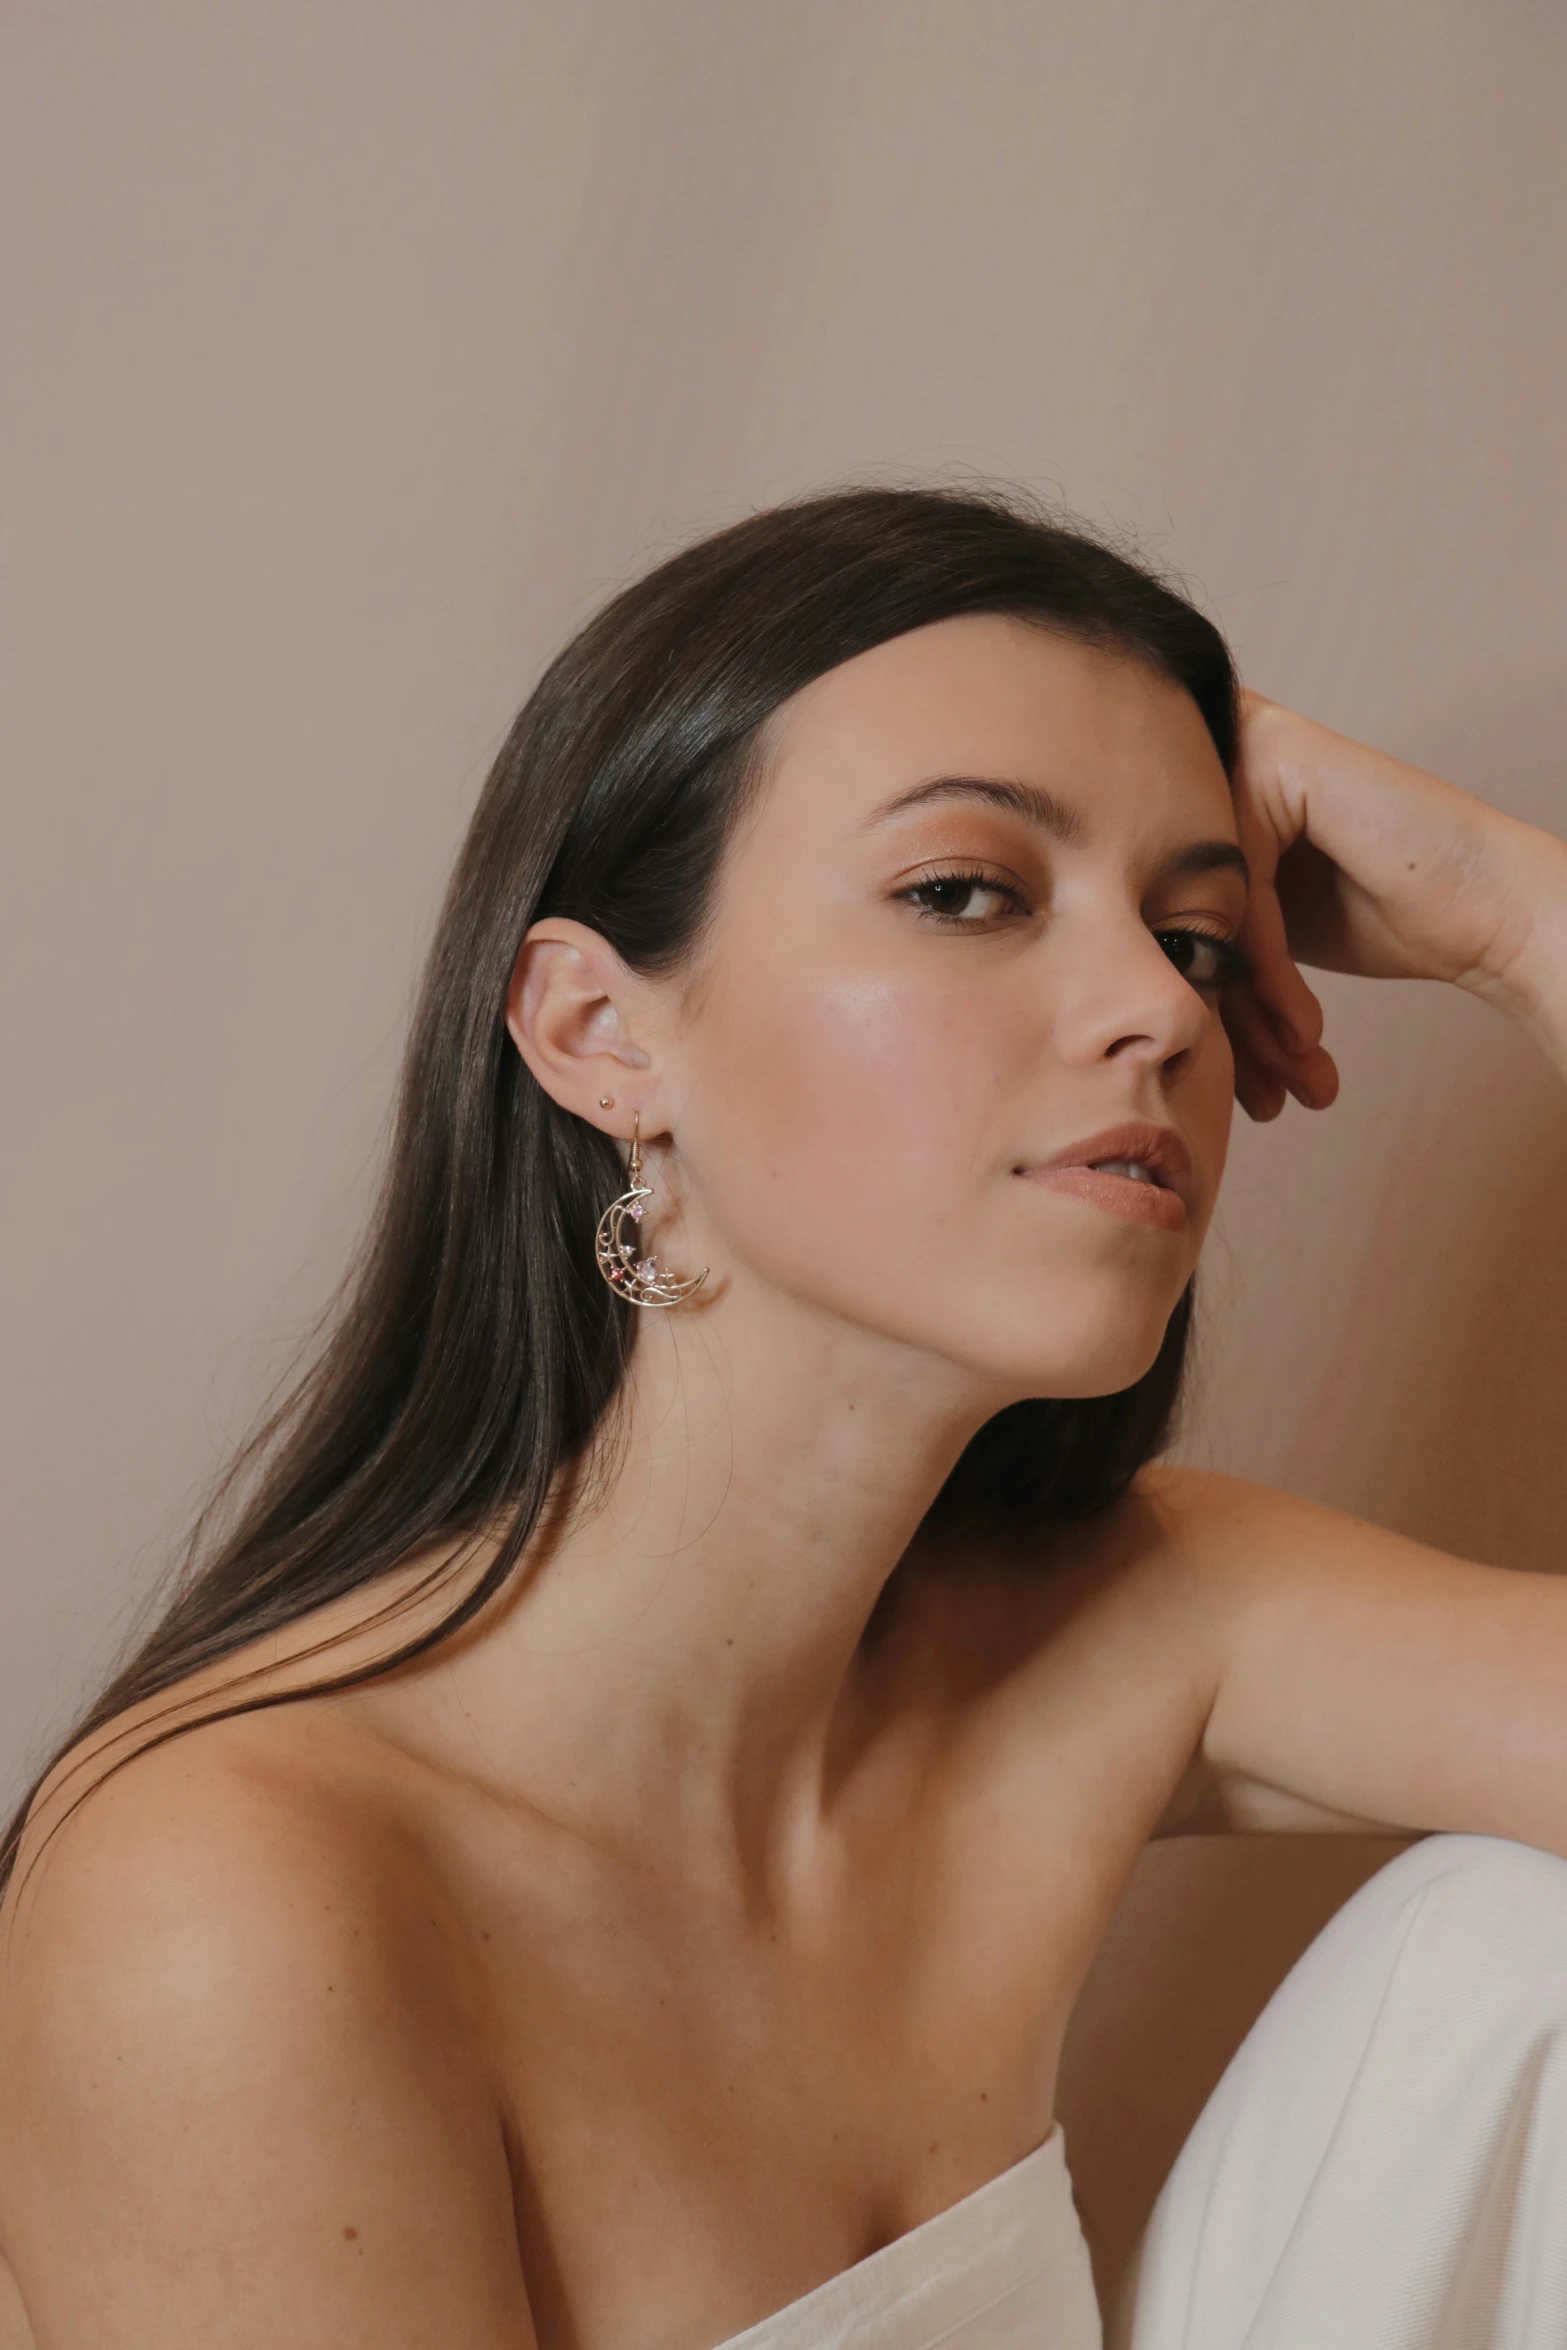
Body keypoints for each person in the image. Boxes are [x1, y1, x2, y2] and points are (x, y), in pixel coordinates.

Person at [2, 483, 1566, 2350]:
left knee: (1515, 1955)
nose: (1155, 1007)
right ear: (598, 1032)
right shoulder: (238, 1907)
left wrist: (1513, 920)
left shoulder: (1137, 1620)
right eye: (965, 891)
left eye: (1201, 937)